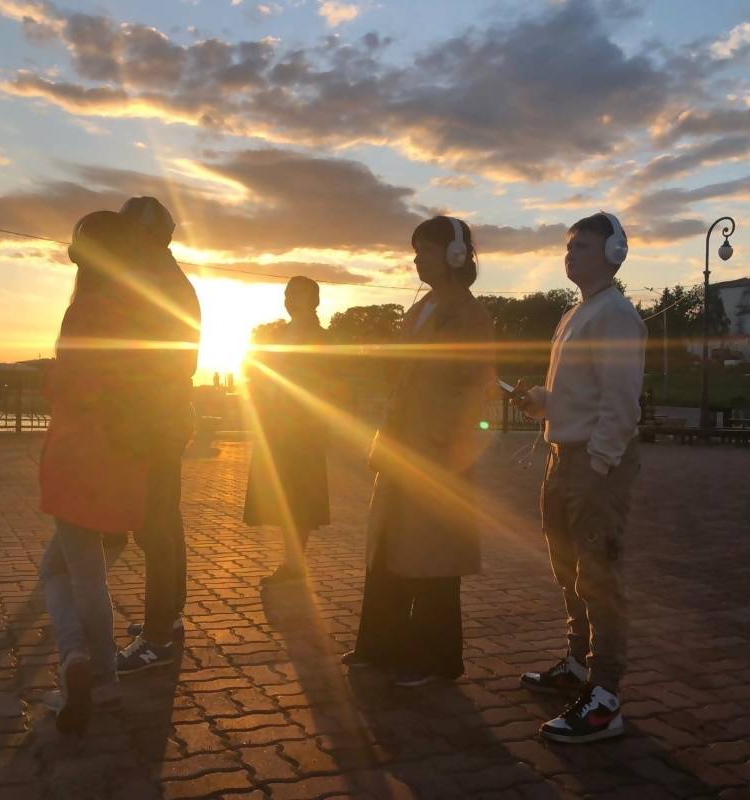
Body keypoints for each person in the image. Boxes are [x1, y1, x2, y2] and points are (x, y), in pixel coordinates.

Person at [342, 216, 494, 687]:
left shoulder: (470, 315)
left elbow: (475, 387)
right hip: (402, 446)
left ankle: (435, 659)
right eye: (416, 250)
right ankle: (380, 645)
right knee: (388, 546)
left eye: (425, 250)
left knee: (433, 557)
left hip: (437, 452)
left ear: (454, 255)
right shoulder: (422, 308)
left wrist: (445, 444)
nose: (416, 259)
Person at [514, 212, 646, 743]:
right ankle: (576, 664)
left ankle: (606, 696)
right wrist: (539, 402)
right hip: (562, 457)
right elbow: (577, 395)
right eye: (569, 246)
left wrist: (598, 464)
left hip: (593, 465)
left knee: (598, 576)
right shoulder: (576, 314)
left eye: (583, 246)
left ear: (614, 253)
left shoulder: (616, 315)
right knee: (567, 569)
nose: (570, 254)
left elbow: (621, 401)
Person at [39, 211, 150, 734]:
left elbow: (78, 389)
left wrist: (53, 378)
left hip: (77, 459)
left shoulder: (84, 312)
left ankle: (82, 663)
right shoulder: (136, 314)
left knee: (70, 574)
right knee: (78, 569)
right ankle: (96, 675)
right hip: (120, 461)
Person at [114, 197, 202, 675]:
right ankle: (168, 616)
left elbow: (155, 360)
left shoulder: (157, 283)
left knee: (154, 526)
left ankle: (157, 637)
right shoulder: (168, 279)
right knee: (165, 520)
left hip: (154, 419)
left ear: (145, 235)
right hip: (164, 417)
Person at [243, 276, 330, 585]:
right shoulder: (280, 334)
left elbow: (325, 383)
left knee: (299, 497)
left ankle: (295, 565)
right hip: (277, 424)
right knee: (285, 495)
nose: (290, 299)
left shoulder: (321, 338)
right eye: (288, 293)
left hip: (302, 427)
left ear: (314, 301)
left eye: (298, 294)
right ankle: (292, 562)